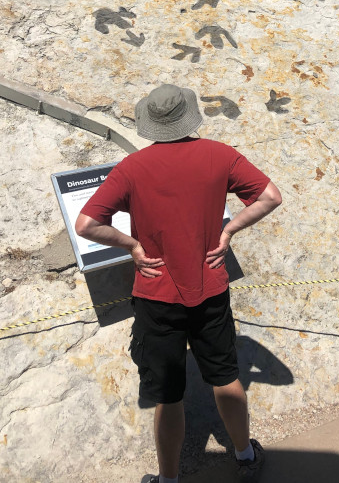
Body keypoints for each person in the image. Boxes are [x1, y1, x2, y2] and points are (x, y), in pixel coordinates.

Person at [75, 83, 282, 483]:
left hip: (156, 295)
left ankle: (168, 479)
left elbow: (87, 224)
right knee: (225, 376)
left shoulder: (133, 167)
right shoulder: (220, 155)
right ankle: (243, 454)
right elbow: (270, 196)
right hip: (210, 288)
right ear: (189, 116)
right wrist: (228, 232)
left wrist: (132, 245)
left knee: (168, 396)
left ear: (150, 123)